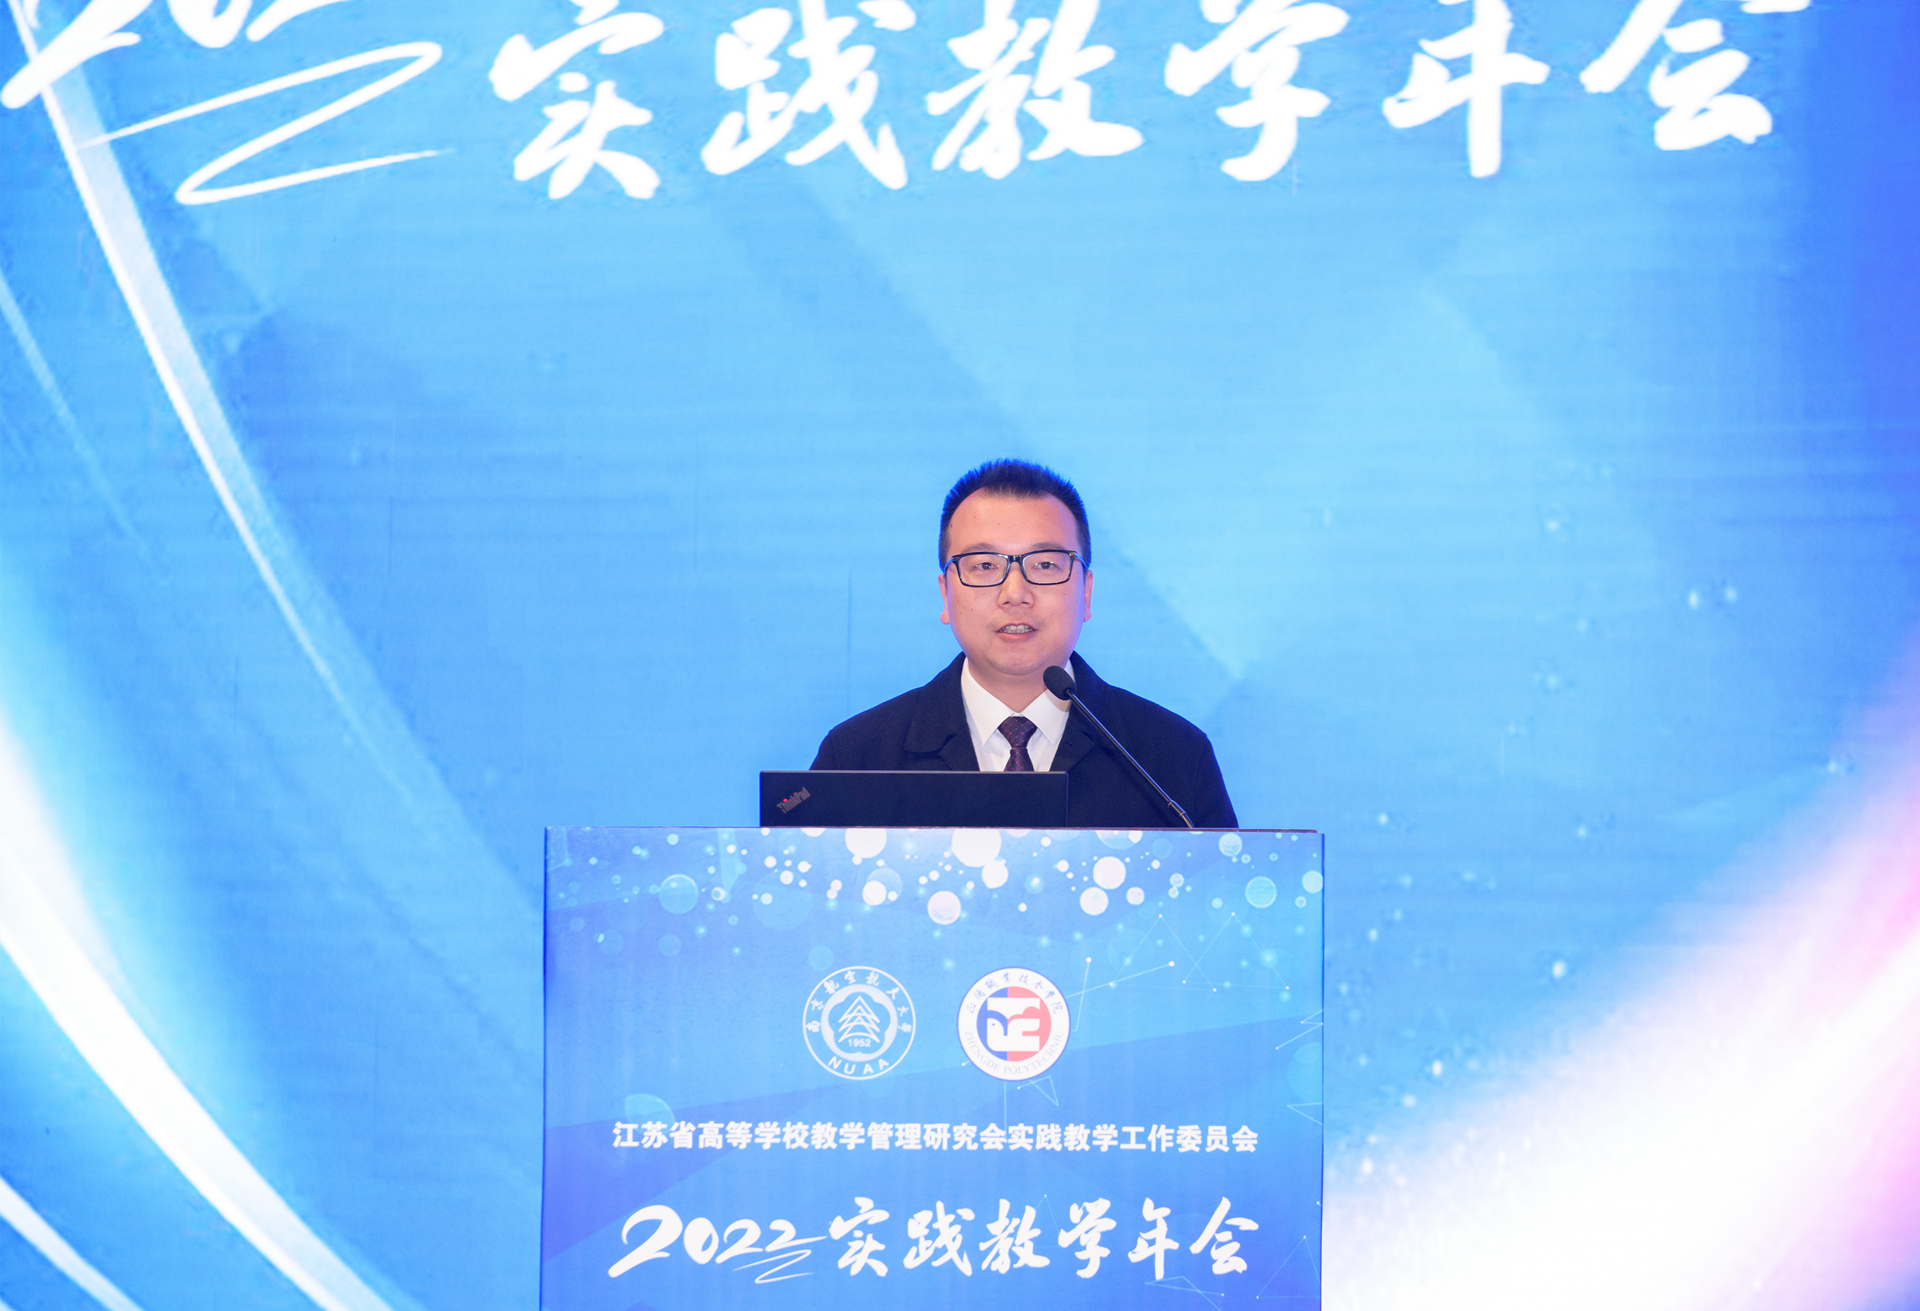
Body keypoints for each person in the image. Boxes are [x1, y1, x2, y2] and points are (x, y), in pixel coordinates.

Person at [811, 459, 1239, 828]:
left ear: (1086, 592)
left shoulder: (1171, 761)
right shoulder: (856, 759)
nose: (1015, 593)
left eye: (1045, 564)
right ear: (945, 595)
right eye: (984, 565)